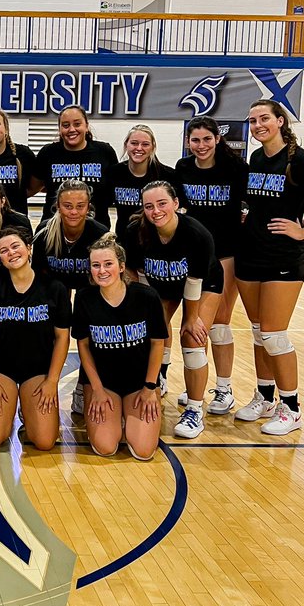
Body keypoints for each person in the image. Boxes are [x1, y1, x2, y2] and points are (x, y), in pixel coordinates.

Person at [234, 99, 304, 435]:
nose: (258, 126)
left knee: (273, 332)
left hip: (283, 257)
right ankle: (265, 396)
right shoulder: (256, 158)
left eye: (264, 119)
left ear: (281, 121)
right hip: (250, 253)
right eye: (253, 120)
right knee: (258, 332)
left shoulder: (300, 160)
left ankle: (292, 407)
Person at [125, 182, 225, 440]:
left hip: (204, 284)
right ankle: (160, 376)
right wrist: (152, 314)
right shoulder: (137, 231)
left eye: (162, 204)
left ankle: (194, 410)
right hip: (160, 283)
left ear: (176, 204)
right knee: (152, 328)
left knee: (192, 338)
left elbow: (194, 282)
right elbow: (141, 276)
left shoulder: (196, 234)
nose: (155, 211)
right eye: (149, 206)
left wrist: (191, 319)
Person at [174, 118, 249, 415]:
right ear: (188, 142)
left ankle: (225, 388)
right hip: (193, 255)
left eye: (207, 139)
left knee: (218, 323)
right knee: (194, 322)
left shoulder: (235, 169)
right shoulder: (183, 168)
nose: (201, 145)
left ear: (217, 139)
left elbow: (256, 202)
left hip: (226, 254)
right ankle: (199, 385)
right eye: (196, 140)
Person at [72, 235, 167, 461]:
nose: (102, 270)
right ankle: (111, 412)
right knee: (105, 446)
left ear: (121, 267)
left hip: (139, 382)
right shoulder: (85, 298)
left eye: (108, 264)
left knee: (143, 451)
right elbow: (83, 346)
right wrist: (96, 388)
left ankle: (127, 413)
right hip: (103, 383)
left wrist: (150, 388)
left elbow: (157, 344)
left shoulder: (146, 297)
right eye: (96, 265)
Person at [0, 227, 71, 451]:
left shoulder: (54, 288)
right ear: (0, 258)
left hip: (38, 371)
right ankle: (3, 408)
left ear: (29, 248)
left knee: (44, 441)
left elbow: (62, 338)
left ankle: (27, 409)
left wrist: (52, 381)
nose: (11, 253)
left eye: (15, 246)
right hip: (3, 371)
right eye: (3, 250)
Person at [31, 178, 110, 416]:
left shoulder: (99, 233)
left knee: (91, 334)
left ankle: (83, 384)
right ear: (57, 206)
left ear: (88, 207)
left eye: (80, 206)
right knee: (49, 331)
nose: (74, 211)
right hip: (56, 287)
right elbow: (40, 275)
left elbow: (105, 277)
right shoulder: (45, 231)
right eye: (67, 206)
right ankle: (43, 382)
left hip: (90, 287)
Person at [29, 105, 117, 222]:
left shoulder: (104, 152)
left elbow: (114, 189)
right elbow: (32, 188)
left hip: (96, 227)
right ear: (60, 129)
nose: (71, 129)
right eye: (65, 125)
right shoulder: (48, 153)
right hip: (54, 227)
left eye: (77, 124)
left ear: (86, 126)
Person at [105, 124, 177, 242]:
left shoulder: (167, 175)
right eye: (134, 143)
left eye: (145, 144)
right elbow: (102, 205)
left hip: (157, 240)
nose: (139, 148)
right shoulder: (114, 173)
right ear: (126, 145)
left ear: (153, 147)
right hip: (125, 240)